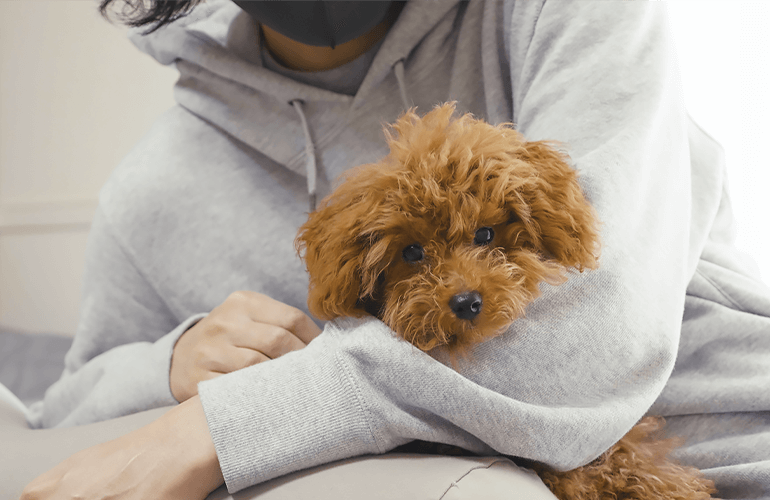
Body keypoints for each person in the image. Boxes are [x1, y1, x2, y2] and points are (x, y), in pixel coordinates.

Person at [20, 0, 770, 498]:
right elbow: (71, 412)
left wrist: (227, 427)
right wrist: (171, 364)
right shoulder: (152, 197)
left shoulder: (559, 13)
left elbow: (596, 331)